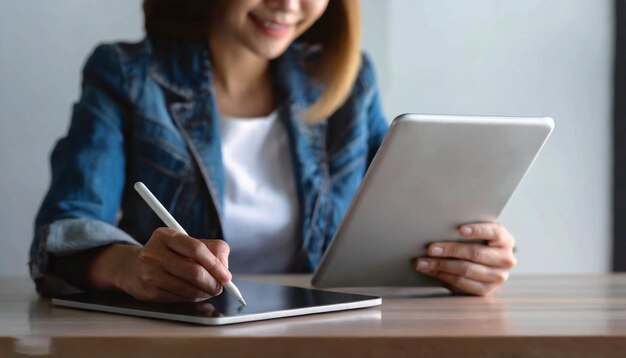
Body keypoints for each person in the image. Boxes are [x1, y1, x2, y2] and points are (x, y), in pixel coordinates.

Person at [30, 0, 517, 302]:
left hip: (324, 339)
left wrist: (461, 257)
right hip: (183, 339)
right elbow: (65, 231)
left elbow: (395, 230)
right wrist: (132, 269)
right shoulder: (124, 74)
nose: (288, 4)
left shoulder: (347, 84)